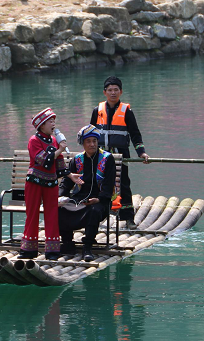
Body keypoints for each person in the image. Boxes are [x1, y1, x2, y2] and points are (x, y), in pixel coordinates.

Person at [20, 108, 81, 260]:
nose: (53, 123)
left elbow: (59, 164)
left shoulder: (54, 141)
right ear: (41, 125)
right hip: (35, 182)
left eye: (54, 120)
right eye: (50, 121)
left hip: (51, 183)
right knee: (32, 214)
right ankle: (29, 251)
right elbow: (43, 160)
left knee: (52, 215)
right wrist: (60, 149)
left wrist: (70, 175)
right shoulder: (34, 141)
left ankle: (52, 251)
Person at [89, 76, 149, 224]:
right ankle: (99, 216)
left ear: (121, 92)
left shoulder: (127, 111)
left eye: (116, 90)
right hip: (101, 155)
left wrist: (141, 152)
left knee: (123, 185)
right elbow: (90, 134)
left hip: (120, 155)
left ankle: (128, 218)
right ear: (105, 92)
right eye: (110, 90)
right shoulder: (97, 111)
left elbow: (135, 134)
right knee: (99, 185)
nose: (113, 93)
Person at [59, 125, 117, 261]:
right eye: (88, 141)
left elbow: (109, 185)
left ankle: (87, 247)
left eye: (94, 141)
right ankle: (67, 243)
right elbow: (66, 183)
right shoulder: (77, 160)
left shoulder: (107, 159)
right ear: (83, 144)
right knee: (59, 209)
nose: (92, 144)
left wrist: (100, 198)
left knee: (94, 211)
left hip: (101, 200)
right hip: (79, 198)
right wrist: (59, 197)